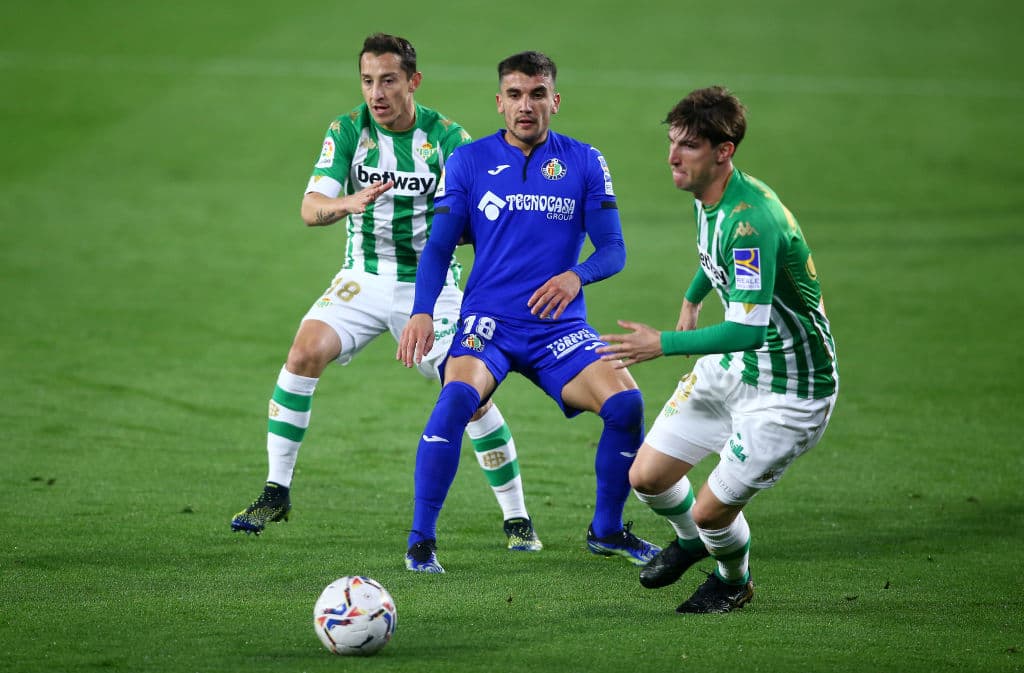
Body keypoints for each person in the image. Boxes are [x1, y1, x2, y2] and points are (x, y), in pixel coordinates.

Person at [231, 33, 542, 553]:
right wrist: (347, 204)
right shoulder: (348, 130)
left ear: (412, 82)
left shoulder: (448, 139)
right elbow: (310, 209)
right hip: (363, 279)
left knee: (468, 391)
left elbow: (479, 220)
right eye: (368, 81)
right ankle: (275, 490)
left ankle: (517, 517)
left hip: (432, 285)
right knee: (303, 353)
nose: (376, 93)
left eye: (388, 80)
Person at [397, 50, 659, 573]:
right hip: (489, 323)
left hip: (558, 329)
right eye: (515, 94)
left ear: (554, 101)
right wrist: (422, 311)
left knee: (626, 405)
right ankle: (421, 541)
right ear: (499, 102)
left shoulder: (585, 161)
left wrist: (575, 276)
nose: (526, 105)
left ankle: (607, 530)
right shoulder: (468, 161)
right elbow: (439, 245)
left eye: (537, 94)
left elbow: (613, 249)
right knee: (455, 400)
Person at [597, 86, 839, 613]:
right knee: (646, 478)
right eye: (671, 142)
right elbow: (714, 258)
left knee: (711, 512)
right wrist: (693, 296)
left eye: (687, 146)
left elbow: (748, 330)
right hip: (736, 368)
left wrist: (663, 342)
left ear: (723, 151)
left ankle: (734, 580)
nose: (672, 157)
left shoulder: (751, 223)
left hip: (790, 392)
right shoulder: (709, 195)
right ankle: (691, 543)